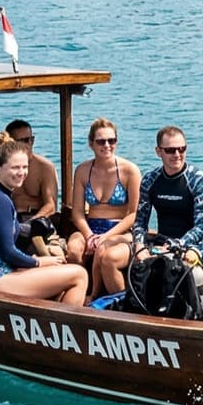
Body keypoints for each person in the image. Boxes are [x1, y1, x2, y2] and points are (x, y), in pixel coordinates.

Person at [0, 134, 88, 303]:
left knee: (57, 274)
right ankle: (65, 328)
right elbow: (8, 252)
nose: (21, 173)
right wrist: (39, 262)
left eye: (25, 167)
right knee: (79, 275)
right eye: (15, 168)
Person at [66, 116, 140, 294]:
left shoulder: (130, 171)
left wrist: (106, 236)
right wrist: (89, 235)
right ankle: (77, 291)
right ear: (91, 144)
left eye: (111, 140)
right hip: (90, 228)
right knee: (74, 249)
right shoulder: (83, 171)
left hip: (120, 230)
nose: (107, 145)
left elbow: (133, 214)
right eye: (101, 141)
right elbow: (77, 213)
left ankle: (94, 296)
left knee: (102, 250)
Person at [133, 124, 203, 266]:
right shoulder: (150, 180)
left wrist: (175, 244)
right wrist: (139, 244)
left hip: (192, 246)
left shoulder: (198, 179)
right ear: (158, 152)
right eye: (170, 150)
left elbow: (202, 226)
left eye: (181, 149)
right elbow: (140, 221)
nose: (177, 154)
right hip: (161, 244)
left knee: (178, 267)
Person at [2, 118, 60, 222]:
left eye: (30, 140)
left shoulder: (45, 167)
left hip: (37, 218)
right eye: (22, 141)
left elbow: (51, 206)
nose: (27, 144)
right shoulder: (3, 166)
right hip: (10, 218)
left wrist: (31, 222)